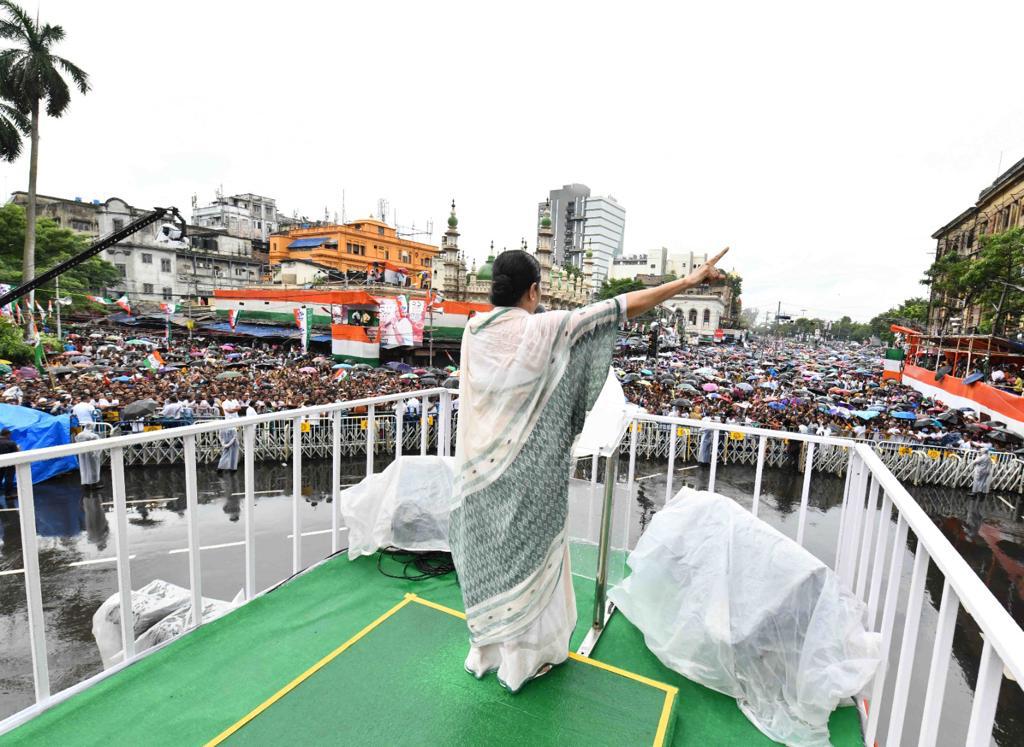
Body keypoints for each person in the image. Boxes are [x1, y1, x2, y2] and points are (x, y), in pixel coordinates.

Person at [449, 246, 728, 693]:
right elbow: (621, 306)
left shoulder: (472, 331)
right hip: (529, 473)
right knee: (532, 563)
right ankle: (522, 661)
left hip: (477, 471)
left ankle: (485, 652)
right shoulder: (544, 328)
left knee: (491, 557)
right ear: (534, 290)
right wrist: (688, 283)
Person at [0, 429, 19, 501]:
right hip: (9, 463)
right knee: (9, 478)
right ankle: (8, 494)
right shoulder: (11, 443)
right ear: (8, 434)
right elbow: (16, 453)